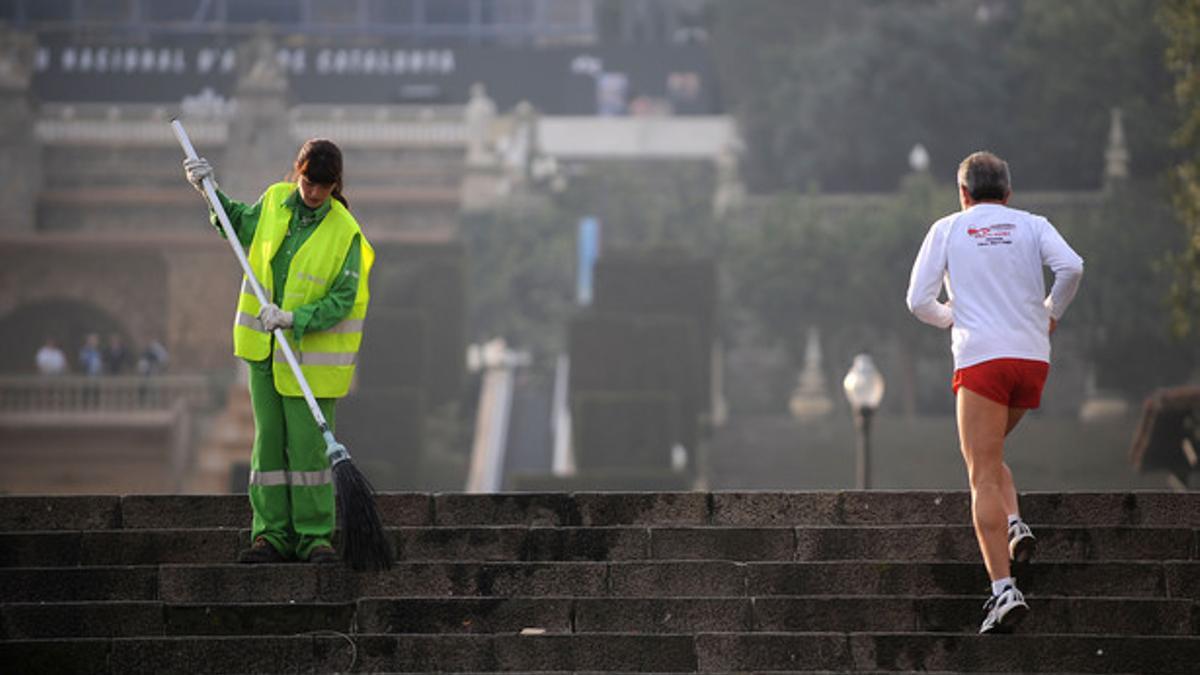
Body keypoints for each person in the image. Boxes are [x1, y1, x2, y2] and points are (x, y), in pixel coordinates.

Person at [905, 151, 1083, 634]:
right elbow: (1072, 268)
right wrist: (1050, 315)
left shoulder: (948, 228)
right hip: (1030, 359)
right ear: (1008, 193)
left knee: (980, 471)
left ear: (963, 194)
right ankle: (1013, 523)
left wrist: (954, 317)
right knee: (990, 452)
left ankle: (1004, 592)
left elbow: (918, 300)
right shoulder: (1032, 224)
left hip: (982, 359)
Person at [184, 139, 375, 565]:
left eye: (323, 186)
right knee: (268, 446)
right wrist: (209, 192)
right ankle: (269, 535)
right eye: (308, 182)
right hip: (264, 352)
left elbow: (344, 299)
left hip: (312, 362)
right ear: (298, 174)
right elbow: (239, 226)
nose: (313, 192)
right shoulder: (273, 201)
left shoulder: (345, 232)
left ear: (335, 184)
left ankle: (314, 538)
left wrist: (293, 318)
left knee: (307, 452)